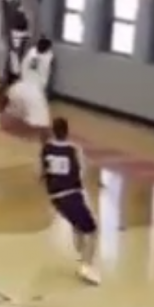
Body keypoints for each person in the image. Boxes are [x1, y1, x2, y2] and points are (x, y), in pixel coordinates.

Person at [41, 117, 100, 285]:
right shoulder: (74, 149)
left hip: (55, 197)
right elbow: (81, 170)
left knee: (78, 226)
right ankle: (86, 267)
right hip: (71, 194)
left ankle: (82, 255)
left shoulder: (46, 148)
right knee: (93, 230)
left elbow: (42, 171)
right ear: (67, 131)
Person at [3, 37, 54, 135]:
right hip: (35, 94)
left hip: (19, 87)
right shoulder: (49, 57)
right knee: (42, 124)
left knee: (9, 101)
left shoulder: (31, 52)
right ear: (48, 48)